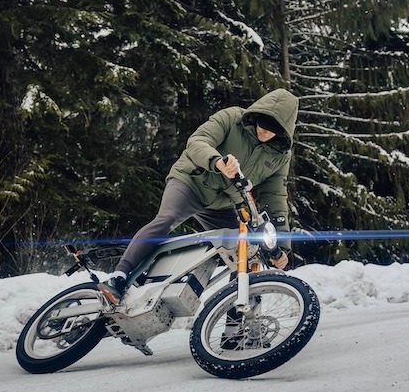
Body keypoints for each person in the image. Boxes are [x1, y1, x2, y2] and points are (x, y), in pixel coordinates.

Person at [98, 88, 299, 305]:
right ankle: (119, 278)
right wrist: (217, 162)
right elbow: (197, 142)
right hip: (190, 182)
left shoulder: (280, 155)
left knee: (246, 250)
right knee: (167, 218)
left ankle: (235, 328)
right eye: (264, 124)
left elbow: (275, 195)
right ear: (257, 115)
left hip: (222, 203)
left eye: (274, 130)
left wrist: (281, 246)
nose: (266, 132)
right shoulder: (231, 118)